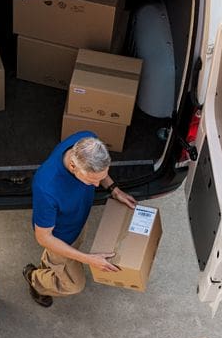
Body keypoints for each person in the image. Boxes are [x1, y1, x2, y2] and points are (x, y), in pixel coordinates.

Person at [23, 131, 138, 307]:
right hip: (60, 237)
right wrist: (87, 259)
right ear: (73, 166)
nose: (97, 185)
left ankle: (50, 264)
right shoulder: (46, 187)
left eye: (101, 178)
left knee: (65, 256)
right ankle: (34, 279)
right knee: (73, 285)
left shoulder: (88, 141)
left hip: (77, 220)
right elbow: (43, 237)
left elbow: (99, 174)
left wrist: (114, 189)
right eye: (91, 180)